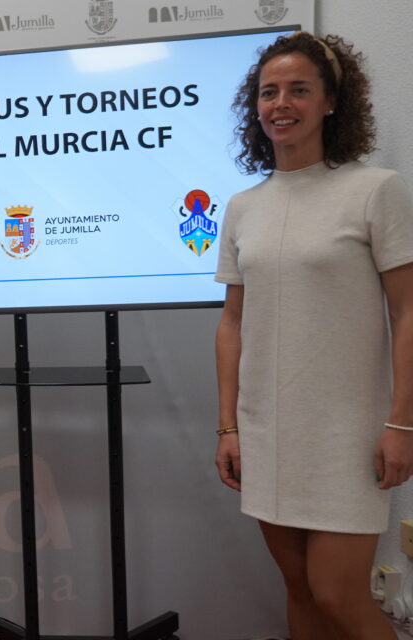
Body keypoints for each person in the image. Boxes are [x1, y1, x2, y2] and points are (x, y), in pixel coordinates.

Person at [214, 32, 413, 640]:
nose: (281, 103)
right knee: (299, 592)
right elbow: (233, 324)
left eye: (299, 90)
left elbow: (408, 312)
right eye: (269, 92)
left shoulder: (375, 191)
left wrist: (402, 423)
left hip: (346, 434)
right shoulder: (244, 206)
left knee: (338, 596)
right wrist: (228, 425)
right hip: (267, 432)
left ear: (331, 101)